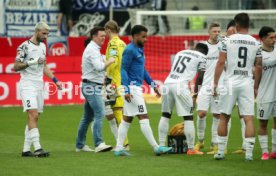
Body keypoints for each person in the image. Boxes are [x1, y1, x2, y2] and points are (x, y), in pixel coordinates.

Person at [114, 25, 172, 156]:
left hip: (135, 88)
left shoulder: (140, 49)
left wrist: (153, 85)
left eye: (146, 36)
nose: (146, 39)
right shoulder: (129, 50)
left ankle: (118, 148)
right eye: (143, 36)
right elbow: (123, 69)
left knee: (127, 119)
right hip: (132, 88)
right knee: (144, 116)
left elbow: (143, 70)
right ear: (135, 36)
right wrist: (127, 89)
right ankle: (156, 147)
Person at [213, 13, 262, 161]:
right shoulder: (256, 42)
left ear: (237, 25)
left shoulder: (227, 41)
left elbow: (221, 62)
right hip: (246, 83)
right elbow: (259, 66)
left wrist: (215, 83)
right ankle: (249, 154)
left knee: (224, 117)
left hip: (230, 82)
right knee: (248, 119)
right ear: (249, 24)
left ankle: (221, 151)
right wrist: (256, 86)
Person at [14, 22, 62, 157]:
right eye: (44, 33)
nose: (46, 36)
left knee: (34, 117)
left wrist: (55, 80)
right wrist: (32, 62)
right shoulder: (24, 46)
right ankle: (38, 148)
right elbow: (16, 66)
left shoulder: (42, 46)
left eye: (47, 34)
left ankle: (25, 149)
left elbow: (44, 66)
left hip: (39, 85)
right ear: (36, 31)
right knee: (33, 114)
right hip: (27, 84)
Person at [158, 43, 208, 155]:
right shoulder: (203, 57)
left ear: (195, 48)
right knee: (188, 117)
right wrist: (195, 94)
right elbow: (200, 77)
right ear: (205, 52)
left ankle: (161, 146)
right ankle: (191, 149)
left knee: (165, 115)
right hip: (181, 85)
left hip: (167, 83)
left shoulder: (180, 52)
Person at [75, 26, 115, 153]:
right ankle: (99, 143)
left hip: (90, 85)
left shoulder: (94, 49)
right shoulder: (92, 49)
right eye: (101, 36)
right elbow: (98, 67)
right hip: (92, 86)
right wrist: (109, 61)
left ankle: (80, 145)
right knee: (100, 113)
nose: (104, 38)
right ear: (94, 36)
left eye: (105, 36)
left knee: (87, 117)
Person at [194, 23, 222, 155]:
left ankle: (214, 144)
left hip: (219, 85)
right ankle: (200, 141)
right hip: (205, 85)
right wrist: (196, 91)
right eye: (214, 31)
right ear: (209, 32)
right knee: (201, 113)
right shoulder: (203, 47)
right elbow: (199, 70)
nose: (217, 33)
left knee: (217, 114)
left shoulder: (224, 46)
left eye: (218, 31)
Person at [104, 20, 129, 149]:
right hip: (122, 79)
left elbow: (113, 61)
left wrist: (106, 75)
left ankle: (124, 143)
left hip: (114, 81)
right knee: (118, 110)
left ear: (108, 29)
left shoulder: (113, 43)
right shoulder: (123, 43)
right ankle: (123, 142)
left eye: (105, 31)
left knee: (117, 111)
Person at [257, 26, 276, 160]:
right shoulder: (258, 54)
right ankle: (264, 151)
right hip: (265, 94)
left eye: (275, 37)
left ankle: (274, 150)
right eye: (271, 37)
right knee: (263, 123)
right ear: (263, 39)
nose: (274, 40)